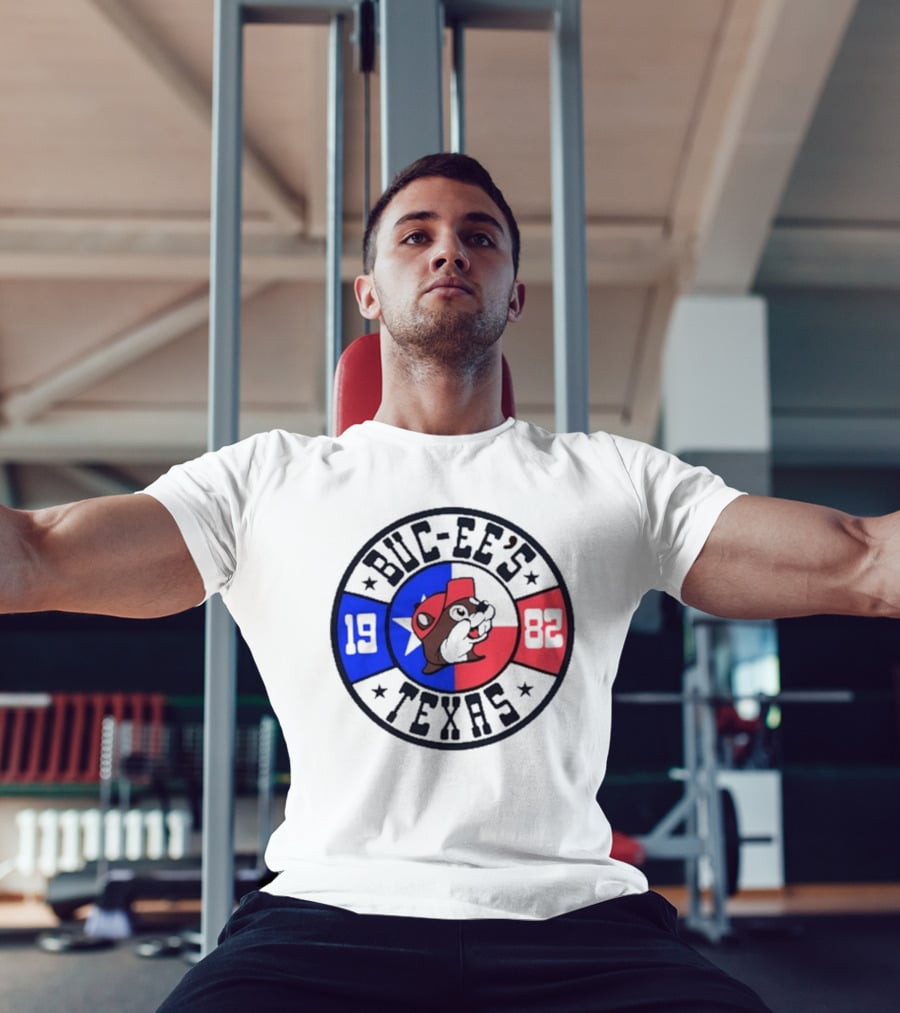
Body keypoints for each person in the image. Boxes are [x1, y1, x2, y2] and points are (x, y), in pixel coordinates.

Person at [2, 153, 897, 1012]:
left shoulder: (613, 479)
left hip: (576, 919)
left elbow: (861, 558)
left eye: (479, 235)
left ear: (515, 294)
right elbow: (40, 553)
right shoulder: (265, 482)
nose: (448, 249)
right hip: (326, 913)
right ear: (368, 293)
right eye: (415, 234)